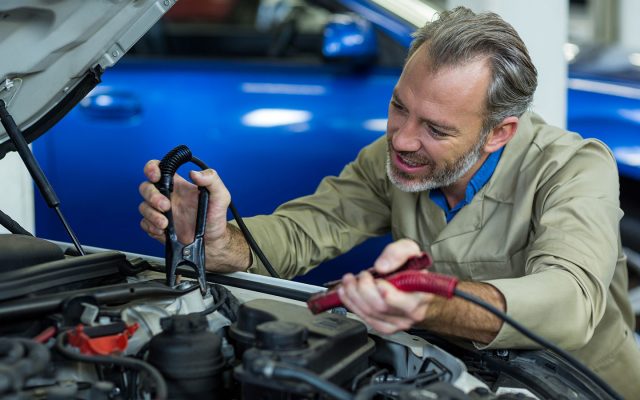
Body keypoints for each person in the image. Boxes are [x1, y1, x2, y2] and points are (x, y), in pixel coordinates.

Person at [138, 7, 639, 397]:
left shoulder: (572, 167)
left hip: (576, 385)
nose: (401, 139)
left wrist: (426, 300)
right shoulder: (393, 159)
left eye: (436, 128)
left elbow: (571, 303)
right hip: (449, 378)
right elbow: (304, 230)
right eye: (399, 105)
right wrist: (224, 242)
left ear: (498, 132)